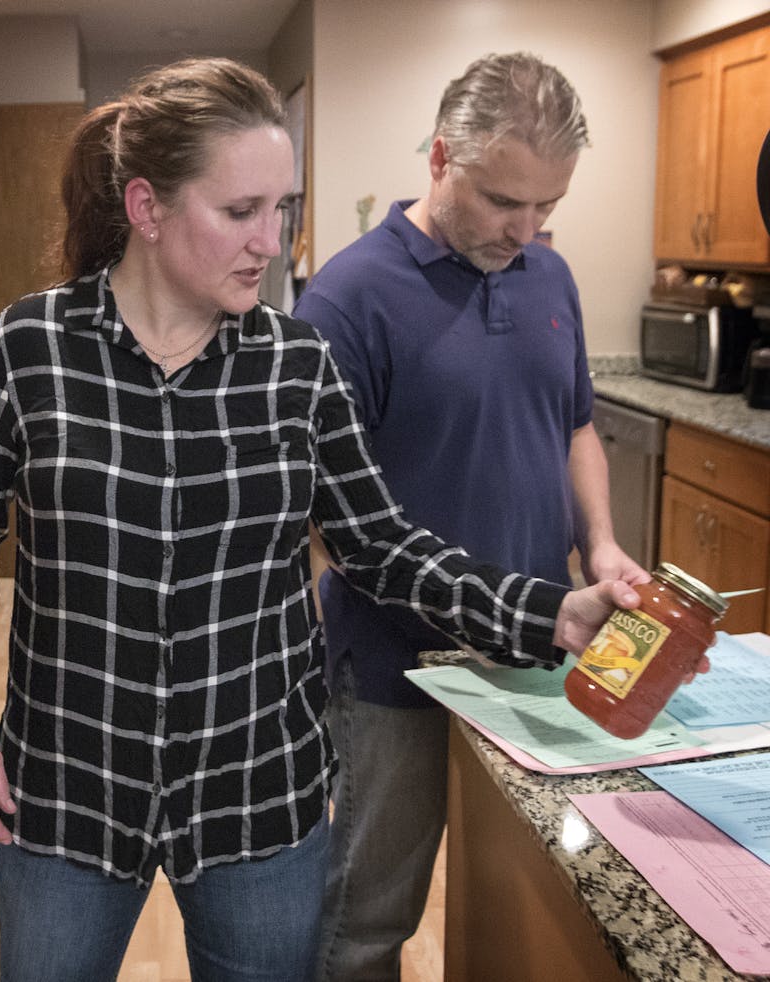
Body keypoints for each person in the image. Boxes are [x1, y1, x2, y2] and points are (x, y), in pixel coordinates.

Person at [0, 57, 640, 982]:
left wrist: (552, 613)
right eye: (240, 211)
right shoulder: (29, 350)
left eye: (281, 209)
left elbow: (380, 547)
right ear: (147, 208)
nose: (272, 240)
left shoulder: (297, 366)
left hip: (256, 798)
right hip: (69, 790)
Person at [291, 52, 647, 981]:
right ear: (441, 156)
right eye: (502, 202)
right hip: (396, 665)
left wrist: (600, 545)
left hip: (544, 653)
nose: (524, 231)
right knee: (370, 916)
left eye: (546, 210)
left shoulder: (548, 277)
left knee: (524, 896)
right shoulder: (345, 300)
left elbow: (575, 427)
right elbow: (343, 530)